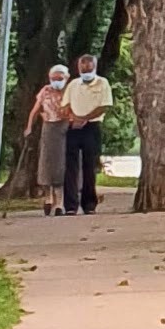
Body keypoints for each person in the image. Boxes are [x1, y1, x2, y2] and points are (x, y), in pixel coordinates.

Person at [60, 51, 111, 215]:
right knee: (70, 167)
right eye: (83, 70)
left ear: (94, 67)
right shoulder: (73, 84)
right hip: (73, 127)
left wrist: (85, 118)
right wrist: (73, 117)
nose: (86, 72)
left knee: (90, 166)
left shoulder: (103, 83)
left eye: (89, 69)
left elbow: (104, 106)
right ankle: (70, 206)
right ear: (78, 69)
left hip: (92, 126)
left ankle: (89, 204)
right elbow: (65, 105)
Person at [26, 66, 70, 215]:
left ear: (66, 78)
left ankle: (59, 203)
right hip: (48, 128)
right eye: (54, 79)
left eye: (60, 79)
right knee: (46, 162)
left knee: (61, 164)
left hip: (64, 128)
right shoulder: (45, 91)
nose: (56, 82)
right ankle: (48, 198)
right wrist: (29, 127)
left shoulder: (69, 91)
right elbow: (35, 110)